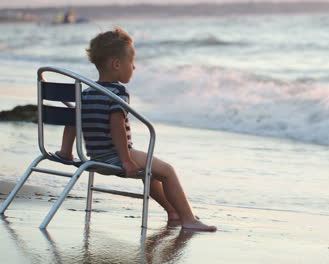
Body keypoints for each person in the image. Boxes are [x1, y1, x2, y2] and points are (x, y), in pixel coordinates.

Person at [56, 27, 216, 232]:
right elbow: (117, 127)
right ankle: (188, 218)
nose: (134, 67)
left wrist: (66, 150)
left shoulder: (87, 93)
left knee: (151, 172)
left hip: (95, 157)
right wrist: (125, 160)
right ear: (117, 64)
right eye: (132, 63)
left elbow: (72, 122)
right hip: (116, 156)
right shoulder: (117, 92)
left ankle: (173, 212)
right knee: (167, 171)